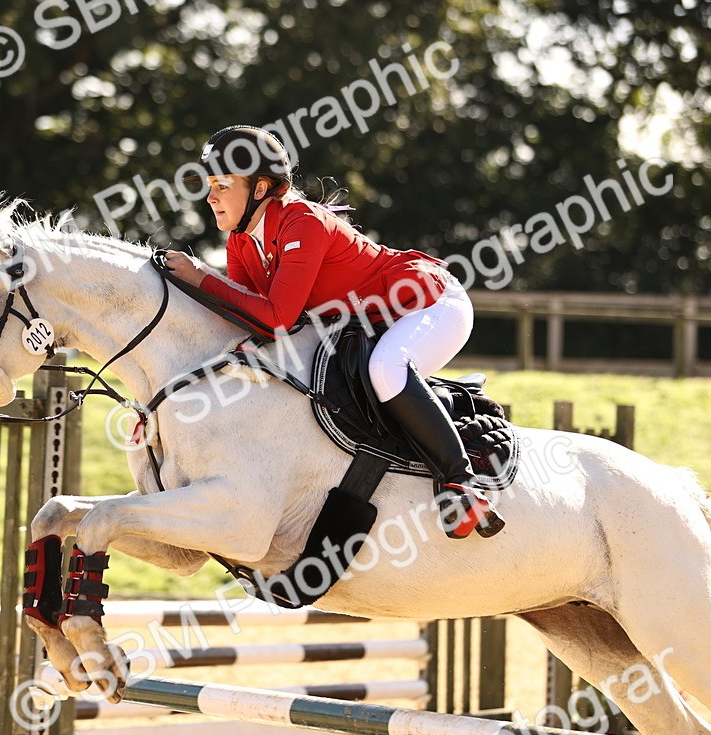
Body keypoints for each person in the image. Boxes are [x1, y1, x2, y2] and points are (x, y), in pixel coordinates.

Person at [164, 125, 504, 538]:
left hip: (429, 303)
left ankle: (462, 484)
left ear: (259, 189)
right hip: (372, 321)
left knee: (386, 368)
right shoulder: (240, 241)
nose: (210, 196)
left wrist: (201, 278)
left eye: (222, 185)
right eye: (209, 185)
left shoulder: (302, 221)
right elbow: (245, 319)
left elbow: (276, 319)